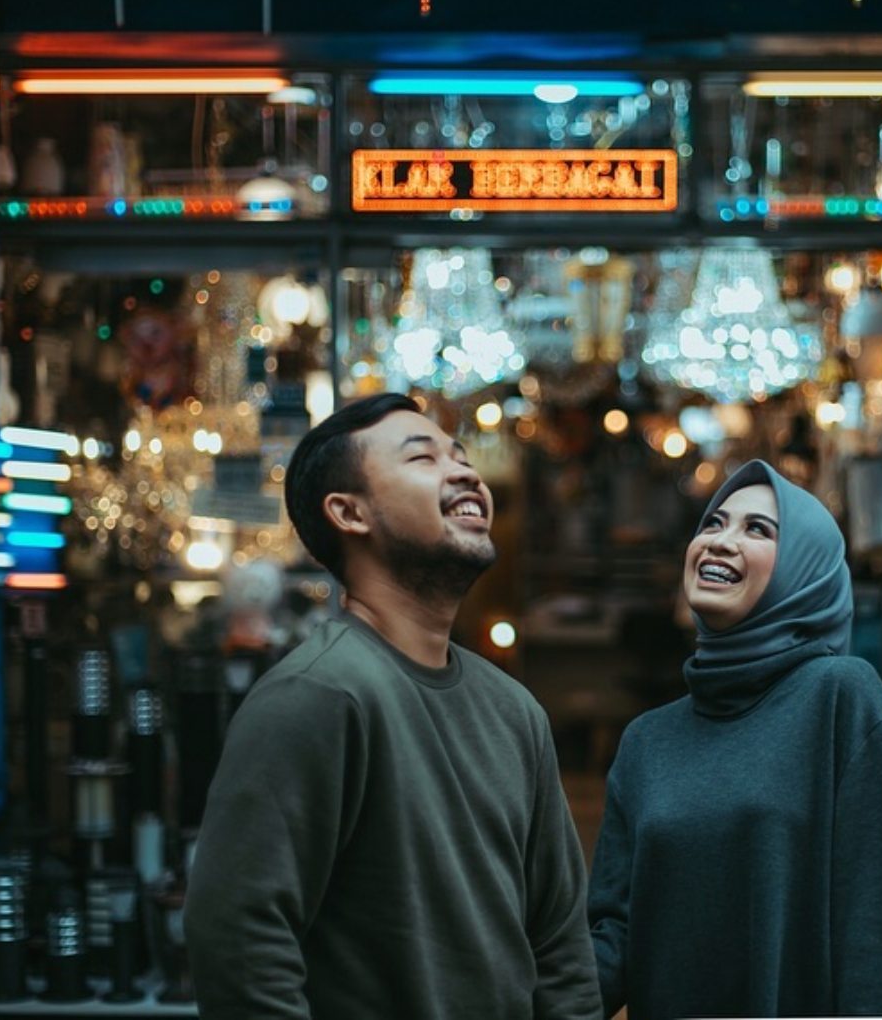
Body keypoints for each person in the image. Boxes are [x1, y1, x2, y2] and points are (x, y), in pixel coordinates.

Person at [185, 392, 602, 1020]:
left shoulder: (515, 711)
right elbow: (239, 944)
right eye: (423, 457)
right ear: (350, 513)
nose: (463, 471)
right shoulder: (317, 696)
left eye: (460, 455)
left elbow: (561, 948)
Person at [587, 459, 882, 1019]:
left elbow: (879, 929)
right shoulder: (646, 741)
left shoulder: (840, 698)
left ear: (806, 571)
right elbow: (614, 936)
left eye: (758, 529)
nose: (721, 541)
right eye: (713, 523)